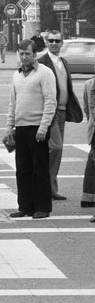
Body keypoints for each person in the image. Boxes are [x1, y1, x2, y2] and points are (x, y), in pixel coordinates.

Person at [6, 39, 56, 219]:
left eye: (28, 53)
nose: (24, 57)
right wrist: (9, 127)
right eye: (21, 54)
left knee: (40, 169)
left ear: (35, 55)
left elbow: (51, 101)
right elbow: (13, 102)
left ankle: (42, 207)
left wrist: (44, 126)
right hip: (21, 127)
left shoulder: (45, 73)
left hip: (38, 128)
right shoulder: (17, 75)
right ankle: (25, 206)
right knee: (22, 169)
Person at [37, 30, 83, 201]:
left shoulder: (63, 62)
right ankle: (45, 186)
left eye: (58, 41)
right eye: (51, 41)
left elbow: (66, 88)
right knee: (56, 148)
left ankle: (51, 188)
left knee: (54, 150)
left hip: (63, 111)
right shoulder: (41, 62)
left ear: (62, 43)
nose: (54, 43)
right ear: (46, 43)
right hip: (49, 112)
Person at [82, 74, 95, 210]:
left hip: (93, 127)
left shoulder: (88, 84)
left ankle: (88, 196)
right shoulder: (89, 85)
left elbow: (87, 109)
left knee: (92, 161)